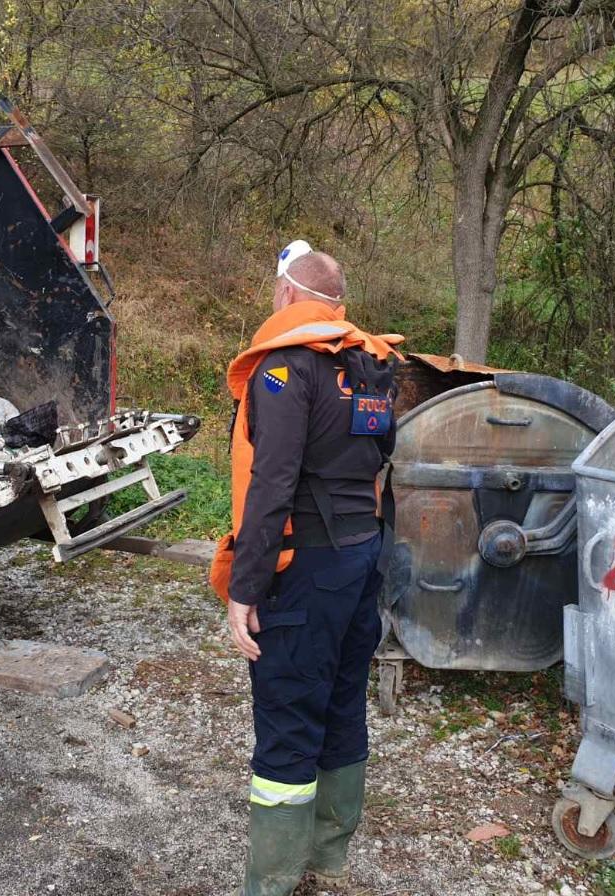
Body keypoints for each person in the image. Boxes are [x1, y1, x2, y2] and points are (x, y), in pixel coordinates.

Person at [209, 244, 402, 896]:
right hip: (360, 559)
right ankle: (328, 855)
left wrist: (246, 587)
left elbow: (271, 484)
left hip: (311, 571)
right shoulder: (366, 367)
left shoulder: (286, 370)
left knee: (290, 719)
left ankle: (274, 880)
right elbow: (380, 461)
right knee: (342, 704)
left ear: (287, 294)